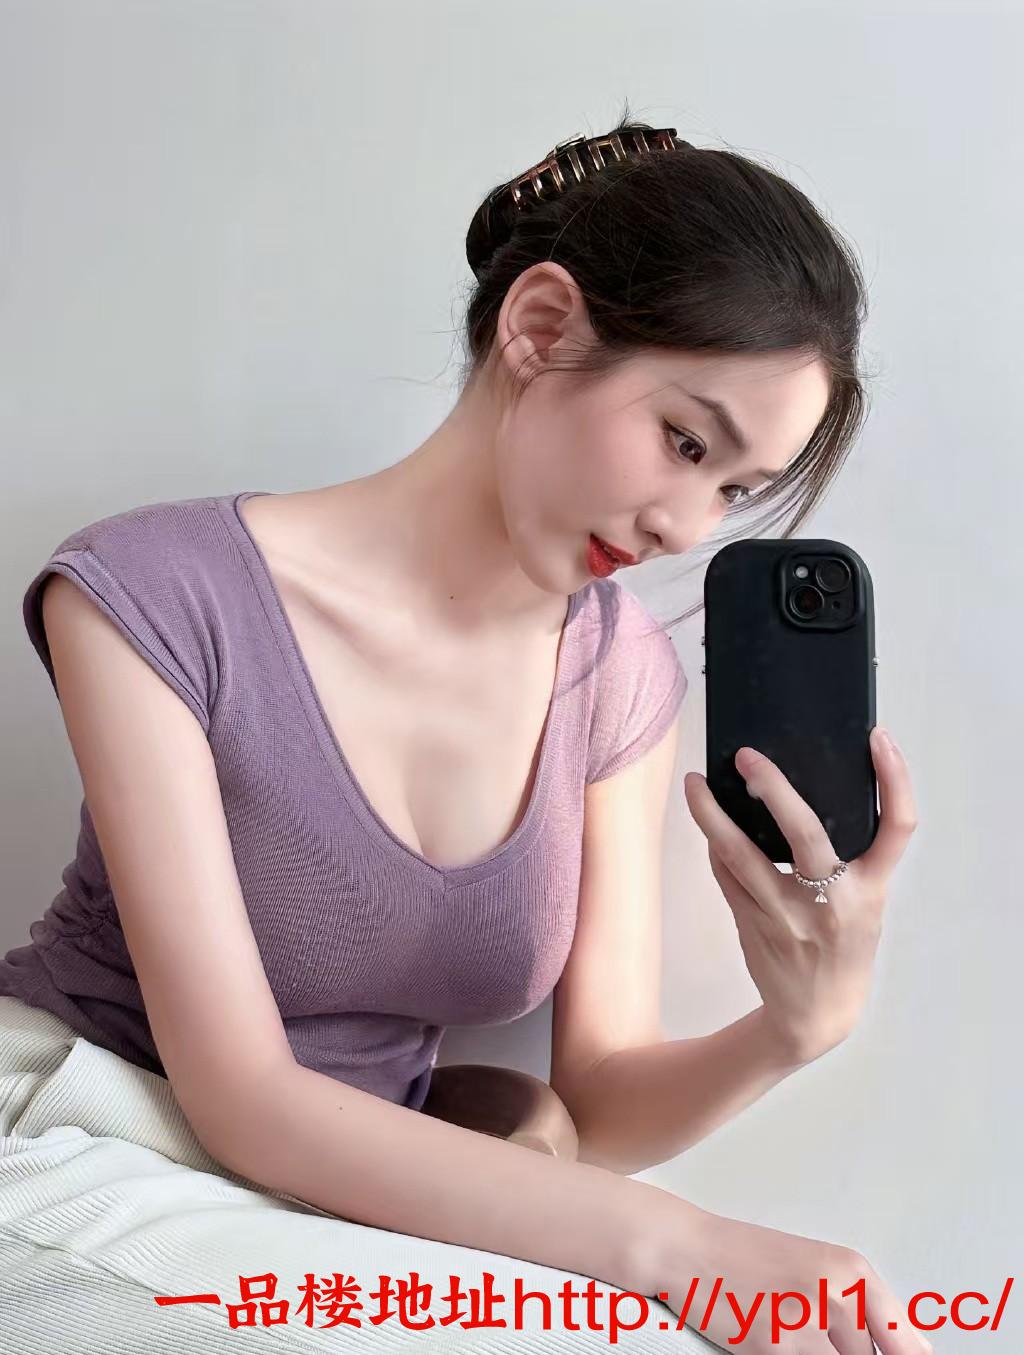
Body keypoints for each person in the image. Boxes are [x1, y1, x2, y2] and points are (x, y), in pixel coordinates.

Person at [0, 109, 927, 1355]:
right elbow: (245, 1096)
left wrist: (793, 1027)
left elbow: (600, 1099)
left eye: (733, 489)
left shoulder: (618, 677)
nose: (685, 526)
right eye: (684, 440)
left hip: (333, 1208)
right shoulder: (157, 593)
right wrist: (685, 1247)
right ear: (538, 327)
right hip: (78, 1133)